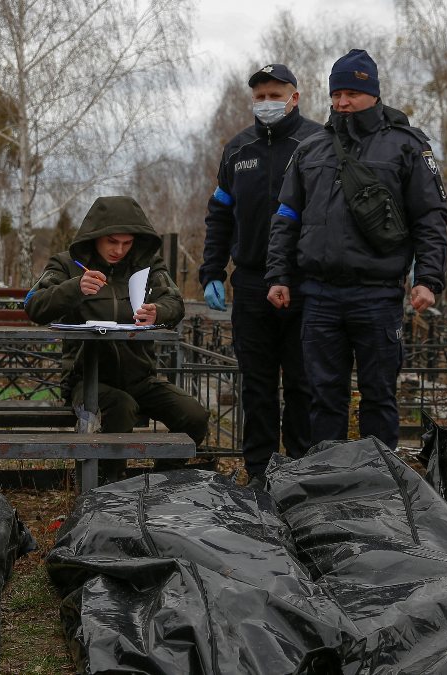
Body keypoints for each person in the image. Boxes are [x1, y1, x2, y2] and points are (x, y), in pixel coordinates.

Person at [265, 49, 447, 451]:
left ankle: (380, 486)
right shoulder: (311, 148)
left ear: (373, 93)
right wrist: (278, 275)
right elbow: (286, 216)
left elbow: (430, 216)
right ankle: (327, 483)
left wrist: (428, 278)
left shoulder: (406, 146)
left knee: (379, 395)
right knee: (323, 397)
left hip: (377, 293)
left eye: (352, 92)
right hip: (319, 295)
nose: (343, 102)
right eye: (336, 94)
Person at [25, 195, 208, 480]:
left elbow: (175, 302)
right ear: (95, 236)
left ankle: (162, 483)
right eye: (112, 241)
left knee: (195, 415)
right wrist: (74, 288)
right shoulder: (66, 264)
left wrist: (157, 312)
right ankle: (105, 491)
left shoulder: (148, 265)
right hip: (88, 381)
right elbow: (34, 306)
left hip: (140, 377)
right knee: (121, 408)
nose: (119, 250)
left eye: (127, 242)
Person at [200, 63, 321, 488]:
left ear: (295, 95)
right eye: (261, 95)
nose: (268, 102)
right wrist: (212, 270)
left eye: (276, 94)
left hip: (307, 283)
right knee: (257, 384)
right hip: (251, 284)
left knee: (305, 383)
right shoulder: (238, 150)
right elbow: (219, 215)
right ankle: (260, 471)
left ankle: (304, 471)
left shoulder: (318, 143)